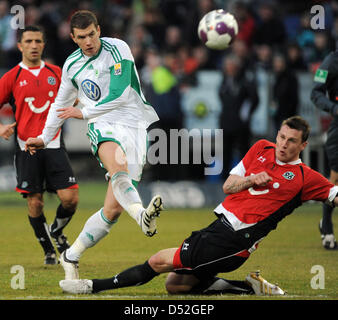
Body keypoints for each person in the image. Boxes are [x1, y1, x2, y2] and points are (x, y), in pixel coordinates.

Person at [59, 116, 338, 295]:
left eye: (291, 141)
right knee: (176, 285)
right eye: (281, 137)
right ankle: (250, 286)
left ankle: (91, 287)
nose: (283, 144)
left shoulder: (305, 178)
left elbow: (333, 195)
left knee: (159, 260)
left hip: (236, 241)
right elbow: (228, 186)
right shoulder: (261, 149)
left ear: (303, 145)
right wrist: (252, 179)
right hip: (219, 225)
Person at [25, 10, 163, 279]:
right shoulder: (72, 65)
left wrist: (84, 111)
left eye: (91, 34)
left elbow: (121, 93)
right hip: (102, 125)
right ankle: (143, 218)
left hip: (134, 126)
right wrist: (44, 136)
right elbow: (60, 106)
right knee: (118, 167)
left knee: (112, 210)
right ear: (73, 38)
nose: (88, 41)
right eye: (81, 37)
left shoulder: (117, 48)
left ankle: (71, 255)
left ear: (98, 30)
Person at [0, 25, 79, 265]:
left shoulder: (57, 73)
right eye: (29, 41)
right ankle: (48, 250)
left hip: (53, 144)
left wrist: (78, 107)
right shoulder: (11, 77)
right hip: (26, 149)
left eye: (38, 41)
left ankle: (56, 230)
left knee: (70, 198)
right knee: (35, 202)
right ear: (20, 46)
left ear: (43, 45)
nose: (33, 45)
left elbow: (76, 97)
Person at [310, 50, 338, 250]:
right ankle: (326, 224)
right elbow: (315, 92)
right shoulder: (330, 61)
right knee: (335, 177)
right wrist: (334, 108)